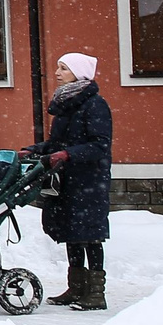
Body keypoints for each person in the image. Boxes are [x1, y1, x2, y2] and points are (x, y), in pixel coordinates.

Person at [36, 52, 114, 310]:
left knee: (90, 236)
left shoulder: (94, 105)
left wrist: (69, 154)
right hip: (67, 180)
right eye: (58, 68)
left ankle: (96, 292)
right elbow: (57, 143)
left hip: (89, 180)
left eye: (63, 69)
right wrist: (35, 150)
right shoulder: (66, 105)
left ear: (79, 74)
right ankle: (76, 287)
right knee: (71, 233)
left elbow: (100, 145)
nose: (57, 73)